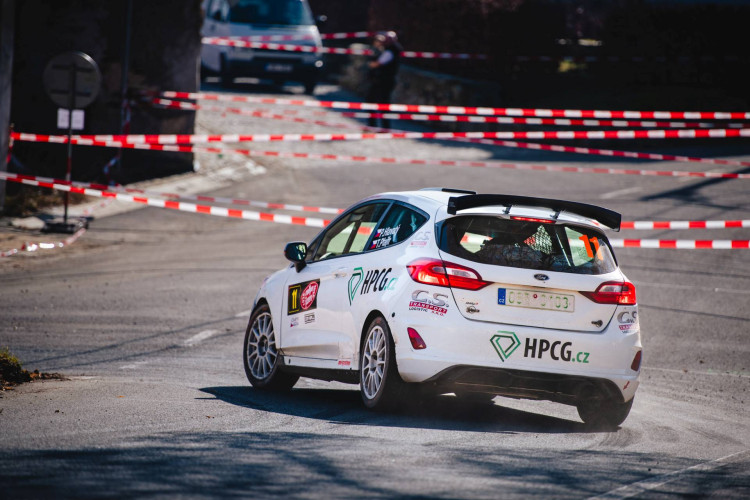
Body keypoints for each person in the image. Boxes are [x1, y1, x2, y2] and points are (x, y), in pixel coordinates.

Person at [366, 31, 402, 129]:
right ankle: (379, 125)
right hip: (383, 81)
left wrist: (371, 63)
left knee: (378, 103)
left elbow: (376, 64)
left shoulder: (390, 51)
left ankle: (379, 126)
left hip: (383, 81)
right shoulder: (391, 50)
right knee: (379, 103)